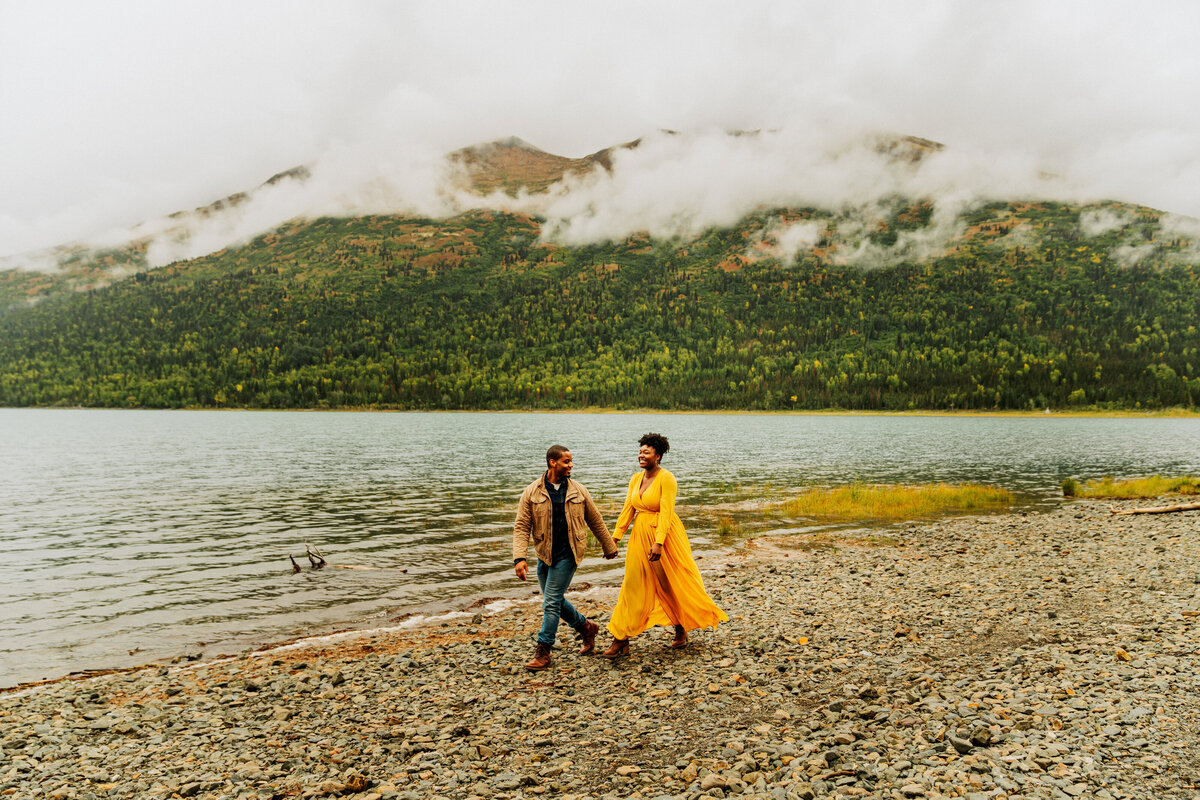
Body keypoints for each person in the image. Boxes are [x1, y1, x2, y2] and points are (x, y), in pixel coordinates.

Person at [601, 433, 728, 658]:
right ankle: (621, 638)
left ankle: (680, 627)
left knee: (670, 581)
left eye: (646, 452)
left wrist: (659, 542)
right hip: (639, 536)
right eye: (640, 451)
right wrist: (615, 537)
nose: (641, 455)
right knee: (632, 583)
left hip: (665, 536)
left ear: (657, 456)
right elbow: (628, 509)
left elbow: (667, 511)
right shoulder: (635, 479)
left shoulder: (666, 478)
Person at [513, 444, 619, 670]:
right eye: (566, 462)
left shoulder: (579, 490)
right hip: (544, 553)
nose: (571, 465)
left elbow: (595, 519)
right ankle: (587, 628)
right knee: (556, 600)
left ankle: (543, 651)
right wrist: (519, 558)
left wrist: (608, 545)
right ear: (553, 463)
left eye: (571, 461)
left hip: (569, 553)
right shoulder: (532, 492)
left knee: (550, 602)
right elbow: (522, 526)